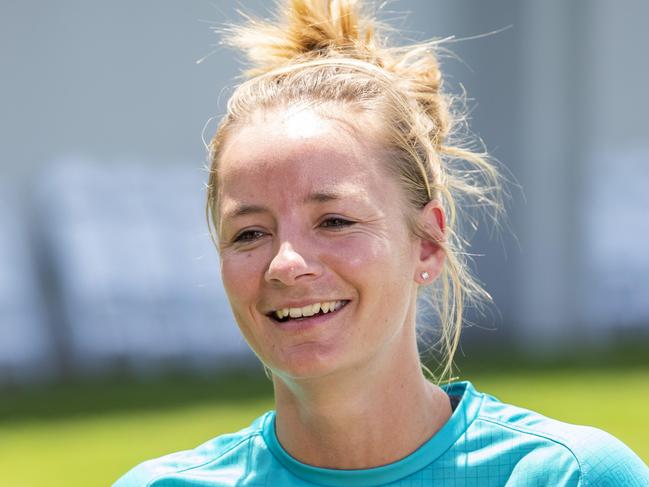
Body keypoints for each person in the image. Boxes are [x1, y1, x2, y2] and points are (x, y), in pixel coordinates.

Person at [114, 1, 649, 485]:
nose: (286, 264)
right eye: (250, 233)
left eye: (335, 221)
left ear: (428, 245)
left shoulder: (568, 475)